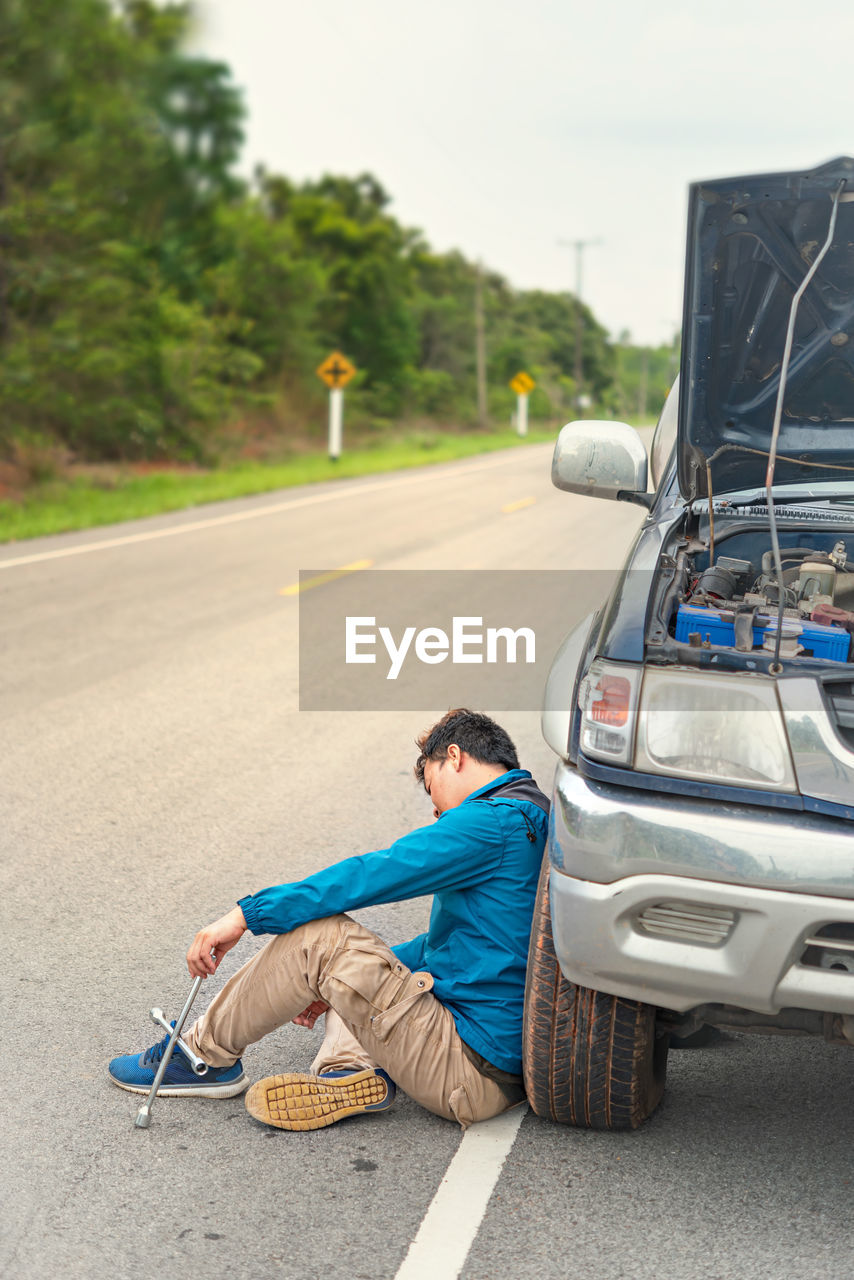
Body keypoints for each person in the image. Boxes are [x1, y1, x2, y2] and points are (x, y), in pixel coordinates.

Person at [108, 709, 549, 1131]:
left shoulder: (490, 823)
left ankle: (199, 1058)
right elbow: (456, 946)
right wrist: (333, 985)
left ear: (453, 757)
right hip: (500, 1071)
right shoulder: (537, 815)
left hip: (466, 1069)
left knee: (319, 938)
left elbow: (374, 873)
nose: (437, 814)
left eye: (432, 789)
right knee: (359, 965)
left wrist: (248, 914)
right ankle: (349, 1073)